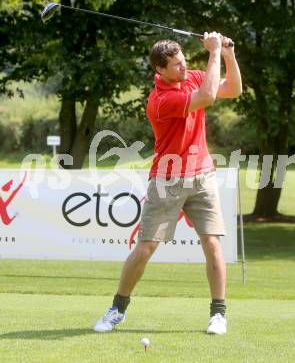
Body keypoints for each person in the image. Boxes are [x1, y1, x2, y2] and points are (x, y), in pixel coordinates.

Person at [94, 32, 242, 335]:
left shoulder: (191, 77)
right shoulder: (161, 100)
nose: (183, 69)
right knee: (147, 246)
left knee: (213, 243)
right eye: (176, 65)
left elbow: (233, 89)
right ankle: (117, 308)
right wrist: (214, 52)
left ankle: (218, 314)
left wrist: (229, 55)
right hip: (167, 180)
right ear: (159, 70)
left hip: (202, 175)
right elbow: (208, 96)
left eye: (184, 62)